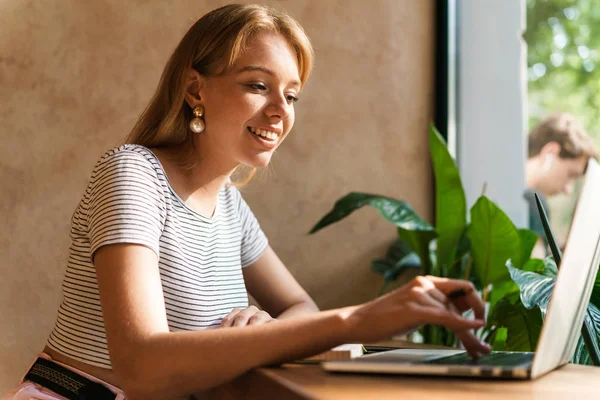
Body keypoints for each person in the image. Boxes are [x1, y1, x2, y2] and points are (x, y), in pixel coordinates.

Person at [3, 4, 490, 399]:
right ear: (196, 88)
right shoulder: (134, 173)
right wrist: (359, 320)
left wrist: (261, 324)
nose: (280, 111)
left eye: (292, 95)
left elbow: (299, 304)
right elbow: (141, 365)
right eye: (258, 86)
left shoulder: (231, 208)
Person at [524, 112, 598, 250]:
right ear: (550, 152)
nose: (568, 190)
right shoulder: (533, 201)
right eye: (571, 175)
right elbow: (536, 270)